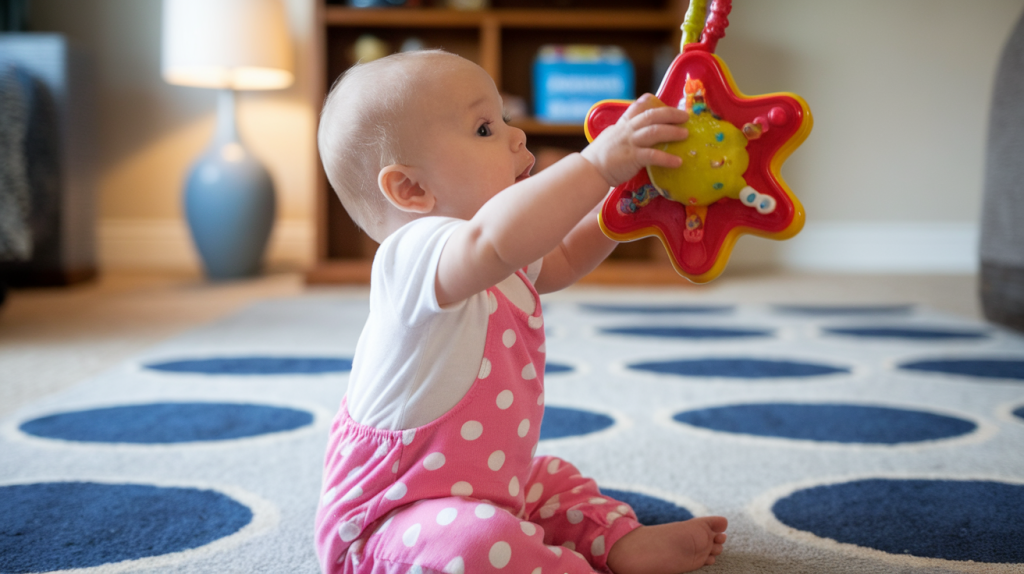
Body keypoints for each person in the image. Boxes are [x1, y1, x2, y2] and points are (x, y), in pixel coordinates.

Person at [314, 49, 727, 574]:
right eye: (485, 128)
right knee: (477, 543)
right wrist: (596, 164)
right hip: (385, 524)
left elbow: (560, 259)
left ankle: (618, 542)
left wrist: (625, 204)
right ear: (411, 189)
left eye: (506, 118)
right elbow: (496, 240)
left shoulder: (495, 253)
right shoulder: (414, 254)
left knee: (552, 478)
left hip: (489, 483)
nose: (517, 137)